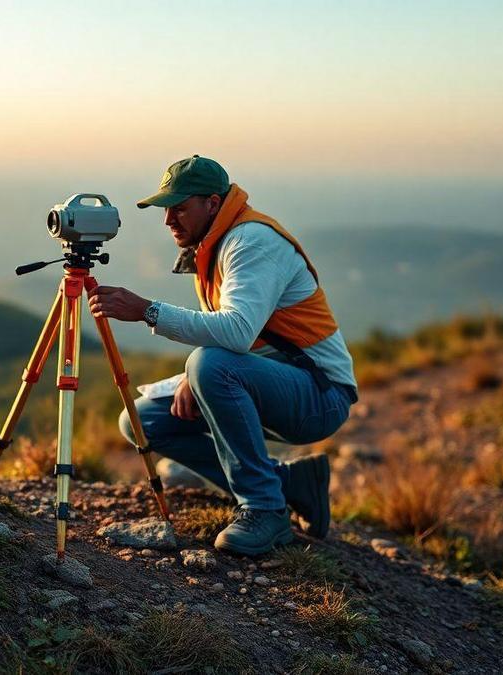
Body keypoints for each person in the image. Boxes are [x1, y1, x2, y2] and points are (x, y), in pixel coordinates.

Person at [87, 155, 358, 556]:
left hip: (321, 395)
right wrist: (190, 380)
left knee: (209, 366)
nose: (168, 221)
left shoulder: (251, 242)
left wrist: (147, 310)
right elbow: (240, 338)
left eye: (179, 208)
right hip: (274, 380)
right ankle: (286, 484)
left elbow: (236, 330)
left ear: (213, 204)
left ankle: (266, 510)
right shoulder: (215, 243)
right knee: (141, 421)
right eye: (166, 209)